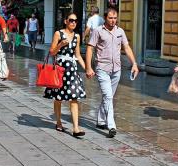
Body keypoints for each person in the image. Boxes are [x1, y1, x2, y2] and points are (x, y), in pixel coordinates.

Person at [85, 8, 139, 138]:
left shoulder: (120, 31)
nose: (113, 20)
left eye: (115, 18)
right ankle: (111, 125)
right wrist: (88, 67)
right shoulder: (98, 31)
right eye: (110, 18)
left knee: (108, 96)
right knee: (108, 96)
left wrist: (134, 64)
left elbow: (126, 47)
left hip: (116, 69)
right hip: (102, 68)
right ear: (105, 18)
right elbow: (90, 48)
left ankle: (101, 120)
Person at [44, 12, 86, 137]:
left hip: (72, 70)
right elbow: (52, 52)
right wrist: (60, 45)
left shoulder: (77, 36)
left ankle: (76, 128)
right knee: (58, 98)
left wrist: (87, 68)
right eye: (71, 20)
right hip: (60, 69)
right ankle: (58, 122)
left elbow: (77, 55)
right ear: (66, 21)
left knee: (74, 98)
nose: (73, 22)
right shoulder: (59, 33)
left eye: (75, 21)